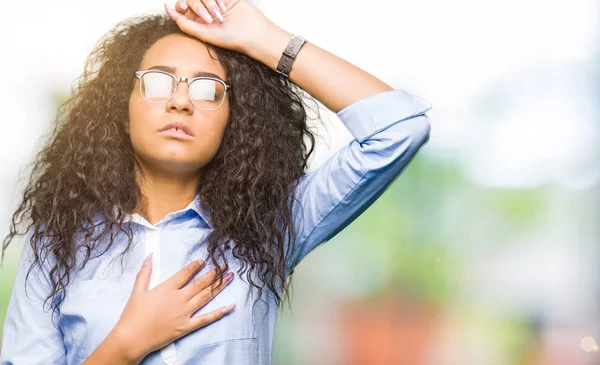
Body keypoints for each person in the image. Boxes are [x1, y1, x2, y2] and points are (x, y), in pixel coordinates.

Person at [0, 0, 432, 364]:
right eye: (158, 82)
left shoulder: (269, 227)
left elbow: (398, 129)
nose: (181, 101)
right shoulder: (57, 243)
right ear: (122, 110)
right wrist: (125, 346)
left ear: (234, 122)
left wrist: (262, 37)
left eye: (208, 89)